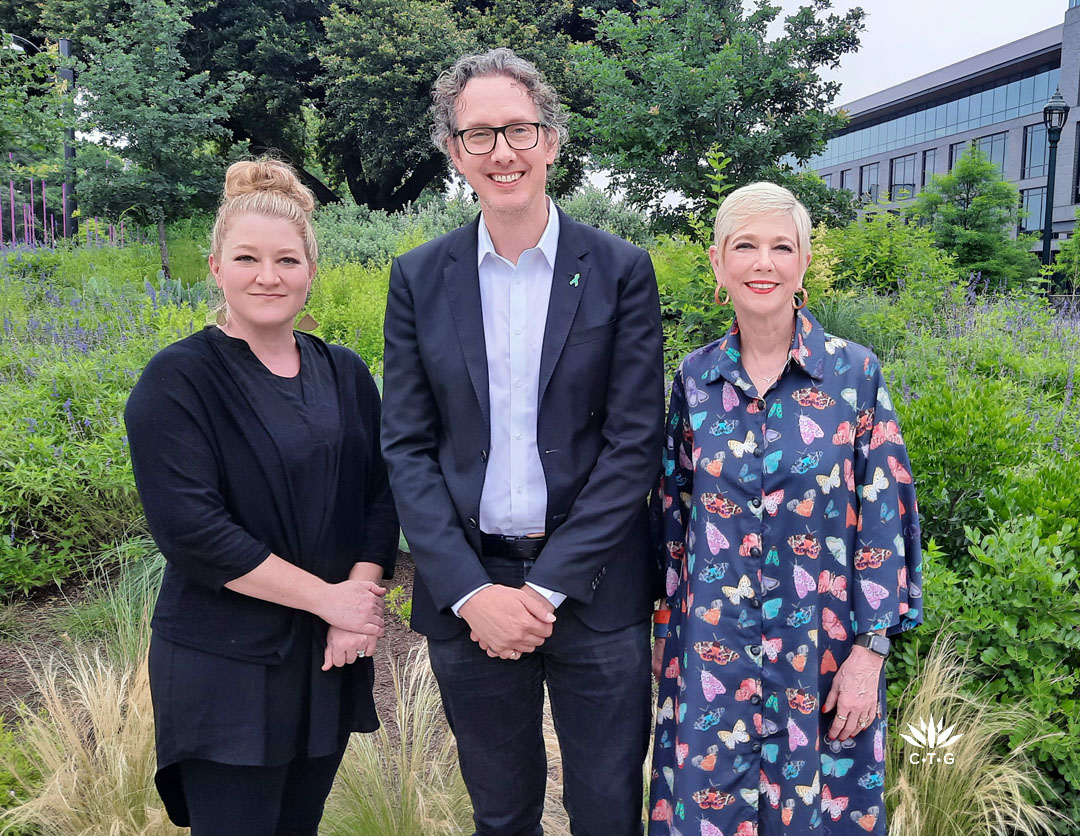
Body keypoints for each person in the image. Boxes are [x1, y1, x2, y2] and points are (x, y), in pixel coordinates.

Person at [381, 48, 665, 836]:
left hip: (596, 591)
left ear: (551, 141)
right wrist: (473, 593)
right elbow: (405, 445)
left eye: (518, 129)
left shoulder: (618, 271)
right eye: (480, 134)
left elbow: (634, 442)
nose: (502, 151)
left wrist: (544, 592)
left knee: (608, 812)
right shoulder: (417, 278)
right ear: (454, 152)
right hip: (470, 592)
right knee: (501, 815)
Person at [124, 159, 398, 836]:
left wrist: (354, 608)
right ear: (216, 267)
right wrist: (328, 599)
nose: (268, 276)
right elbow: (193, 531)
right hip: (225, 665)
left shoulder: (345, 373)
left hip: (327, 654)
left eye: (286, 260)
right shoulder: (178, 380)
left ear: (311, 270)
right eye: (247, 258)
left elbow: (382, 494)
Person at [648, 182, 922, 836]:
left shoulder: (855, 375)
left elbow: (886, 514)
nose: (762, 262)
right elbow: (671, 515)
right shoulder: (694, 380)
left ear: (803, 264)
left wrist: (871, 651)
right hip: (713, 657)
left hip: (823, 661)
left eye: (781, 246)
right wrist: (665, 646)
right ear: (718, 263)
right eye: (745, 245)